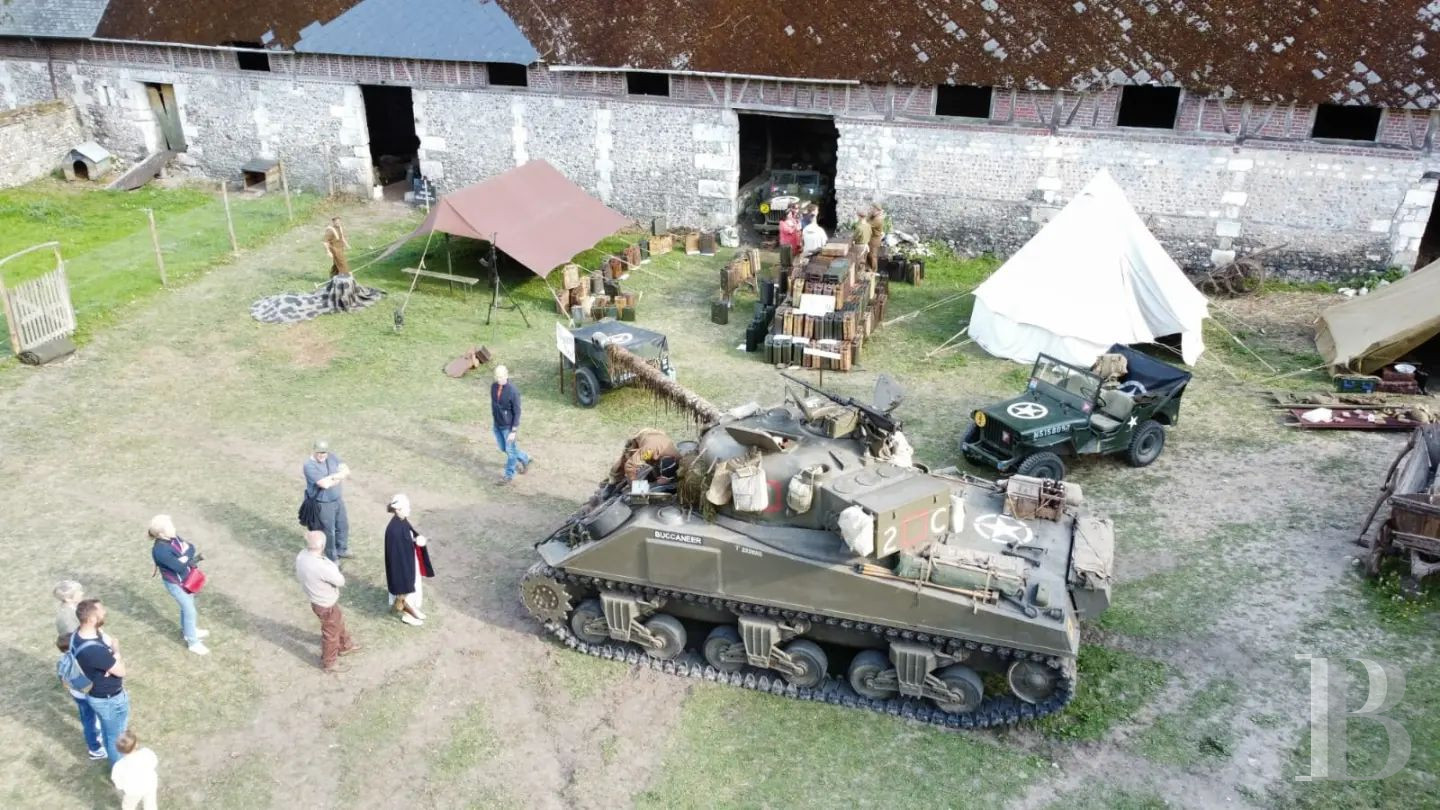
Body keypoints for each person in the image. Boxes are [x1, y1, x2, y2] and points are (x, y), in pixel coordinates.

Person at [72, 599, 129, 763]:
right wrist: (116, 652)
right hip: (109, 698)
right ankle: (119, 769)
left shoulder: (77, 635)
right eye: (100, 611)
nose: (104, 613)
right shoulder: (95, 651)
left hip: (96, 693)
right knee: (116, 736)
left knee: (108, 731)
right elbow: (121, 671)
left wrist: (109, 658)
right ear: (91, 619)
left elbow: (102, 635)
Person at [295, 530, 357, 672]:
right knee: (330, 633)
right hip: (325, 603)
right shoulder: (321, 566)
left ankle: (345, 645)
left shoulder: (302, 556)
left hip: (317, 600)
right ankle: (330, 662)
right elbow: (340, 581)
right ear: (322, 545)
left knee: (337, 621)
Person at [147, 515, 209, 655]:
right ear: (161, 534)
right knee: (190, 611)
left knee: (188, 607)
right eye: (170, 527)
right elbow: (178, 567)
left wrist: (184, 557)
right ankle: (193, 643)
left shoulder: (173, 537)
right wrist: (186, 557)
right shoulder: (160, 551)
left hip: (187, 579)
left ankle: (189, 631)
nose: (174, 528)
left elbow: (191, 547)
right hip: (176, 584)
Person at [383, 495, 435, 627]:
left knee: (414, 587)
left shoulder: (402, 521)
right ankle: (408, 615)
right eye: (407, 507)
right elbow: (395, 556)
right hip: (403, 567)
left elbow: (408, 537)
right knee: (407, 590)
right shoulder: (393, 530)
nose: (409, 510)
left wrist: (416, 540)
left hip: (409, 561)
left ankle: (413, 609)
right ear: (398, 509)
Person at [55, 634, 106, 760]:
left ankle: (96, 738)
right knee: (92, 720)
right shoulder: (78, 659)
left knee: (87, 718)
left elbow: (62, 679)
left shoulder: (62, 661)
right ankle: (95, 749)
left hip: (76, 694)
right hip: (88, 693)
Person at [303, 439, 351, 562]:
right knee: (329, 532)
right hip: (323, 503)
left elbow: (346, 470)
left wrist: (333, 478)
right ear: (314, 451)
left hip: (337, 499)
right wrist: (338, 477)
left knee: (343, 526)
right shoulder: (309, 466)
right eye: (319, 453)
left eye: (324, 453)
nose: (322, 455)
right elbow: (324, 484)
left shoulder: (332, 457)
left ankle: (342, 549)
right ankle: (332, 557)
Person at [491, 365, 533, 485]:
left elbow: (517, 411)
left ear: (507, 375)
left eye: (502, 376)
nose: (500, 379)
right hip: (497, 425)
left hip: (508, 427)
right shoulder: (493, 387)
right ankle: (525, 458)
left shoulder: (513, 391)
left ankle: (508, 475)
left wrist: (513, 431)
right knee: (503, 448)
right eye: (497, 377)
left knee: (510, 451)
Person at [110, 730, 159, 810]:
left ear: (118, 750)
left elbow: (118, 782)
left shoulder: (119, 766)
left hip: (133, 791)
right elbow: (155, 762)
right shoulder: (147, 753)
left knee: (128, 806)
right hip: (150, 784)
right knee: (150, 804)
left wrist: (122, 787)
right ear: (136, 744)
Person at [866, 204, 886, 272]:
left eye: (873, 209)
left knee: (873, 256)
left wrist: (869, 215)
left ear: (878, 210)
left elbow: (867, 224)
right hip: (872, 238)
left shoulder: (878, 219)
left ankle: (874, 271)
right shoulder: (875, 217)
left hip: (875, 239)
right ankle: (871, 270)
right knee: (869, 255)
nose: (872, 210)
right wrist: (871, 215)